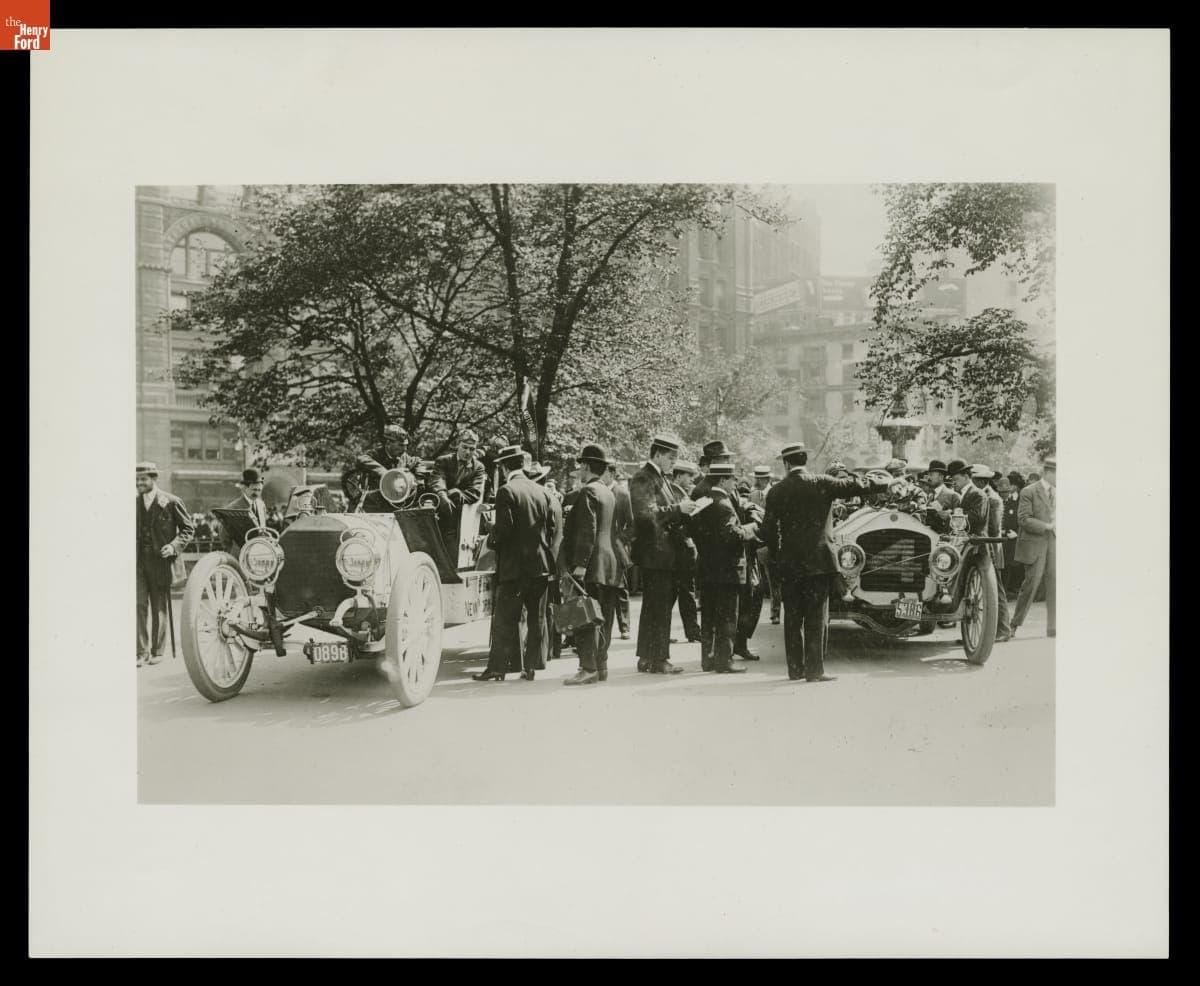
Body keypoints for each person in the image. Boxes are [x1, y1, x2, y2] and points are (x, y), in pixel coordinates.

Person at [760, 443, 888, 683]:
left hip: (790, 564)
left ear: (786, 464)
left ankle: (795, 669)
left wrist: (779, 555)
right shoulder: (822, 483)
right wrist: (883, 482)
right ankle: (815, 671)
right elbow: (857, 486)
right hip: (819, 562)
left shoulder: (776, 491)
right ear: (805, 460)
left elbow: (767, 531)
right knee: (816, 617)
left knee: (793, 618)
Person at [474, 445, 562, 682]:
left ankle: (498, 669)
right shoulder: (542, 491)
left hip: (514, 568)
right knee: (537, 619)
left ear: (504, 468)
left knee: (506, 619)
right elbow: (551, 528)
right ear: (522, 465)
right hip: (540, 567)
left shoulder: (506, 490)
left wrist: (489, 536)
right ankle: (530, 668)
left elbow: (504, 529)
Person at [628, 434, 700, 674]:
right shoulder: (643, 477)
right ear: (657, 454)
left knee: (656, 608)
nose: (673, 462)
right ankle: (658, 658)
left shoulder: (659, 478)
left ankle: (648, 657)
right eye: (671, 457)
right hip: (655, 555)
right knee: (658, 608)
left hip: (662, 554)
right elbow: (646, 515)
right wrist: (678, 509)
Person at [560, 445, 622, 685]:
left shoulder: (587, 492)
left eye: (580, 466)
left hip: (591, 565)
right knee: (604, 617)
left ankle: (587, 668)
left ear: (585, 466)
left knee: (584, 617)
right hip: (609, 564)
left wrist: (581, 565)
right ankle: (601, 665)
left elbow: (587, 530)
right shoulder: (608, 492)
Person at [692, 462, 761, 674]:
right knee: (728, 617)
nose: (735, 483)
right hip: (727, 570)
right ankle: (725, 660)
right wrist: (749, 529)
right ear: (723, 480)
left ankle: (709, 658)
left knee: (710, 617)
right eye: (732, 479)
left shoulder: (704, 501)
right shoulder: (723, 504)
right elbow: (731, 535)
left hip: (708, 568)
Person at [135, 463, 195, 668]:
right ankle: (140, 652)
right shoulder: (133, 503)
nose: (139, 483)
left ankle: (157, 651)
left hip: (160, 561)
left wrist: (173, 546)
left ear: (153, 479)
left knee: (159, 605)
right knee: (138, 604)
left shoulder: (171, 501)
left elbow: (188, 529)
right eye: (136, 480)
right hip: (138, 562)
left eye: (143, 479)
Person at [1011, 456, 1056, 639]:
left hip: (1054, 544)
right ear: (1047, 473)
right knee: (1031, 585)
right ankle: (1014, 624)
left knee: (1055, 586)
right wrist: (1047, 526)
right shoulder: (1029, 491)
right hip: (1035, 546)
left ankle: (1053, 628)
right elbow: (1023, 519)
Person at [431, 430, 487, 554]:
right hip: (441, 513)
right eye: (464, 447)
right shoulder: (443, 461)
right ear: (458, 445)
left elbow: (475, 492)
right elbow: (437, 480)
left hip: (463, 517)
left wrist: (457, 494)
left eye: (472, 449)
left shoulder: (478, 467)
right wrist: (442, 496)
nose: (467, 452)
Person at [975, 465, 1013, 642]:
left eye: (974, 480)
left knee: (997, 590)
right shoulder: (985, 496)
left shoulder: (993, 499)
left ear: (982, 481)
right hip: (986, 548)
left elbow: (994, 529)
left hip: (991, 548)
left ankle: (1003, 630)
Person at [669, 460, 703, 645]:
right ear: (679, 476)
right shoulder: (675, 493)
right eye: (689, 476)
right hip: (681, 548)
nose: (691, 480)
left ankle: (685, 631)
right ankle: (693, 631)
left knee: (677, 592)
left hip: (682, 548)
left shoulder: (680, 492)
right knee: (685, 592)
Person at [603, 459, 634, 640]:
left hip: (617, 548)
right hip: (602, 548)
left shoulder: (622, 494)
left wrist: (619, 540)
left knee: (620, 587)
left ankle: (624, 626)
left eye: (605, 472)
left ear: (612, 474)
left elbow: (631, 525)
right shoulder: (598, 491)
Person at [220, 468, 268, 552]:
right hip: (239, 555)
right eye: (254, 490)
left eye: (259, 490)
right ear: (245, 488)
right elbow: (224, 536)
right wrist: (232, 552)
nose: (256, 493)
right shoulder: (232, 508)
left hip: (258, 554)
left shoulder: (261, 505)